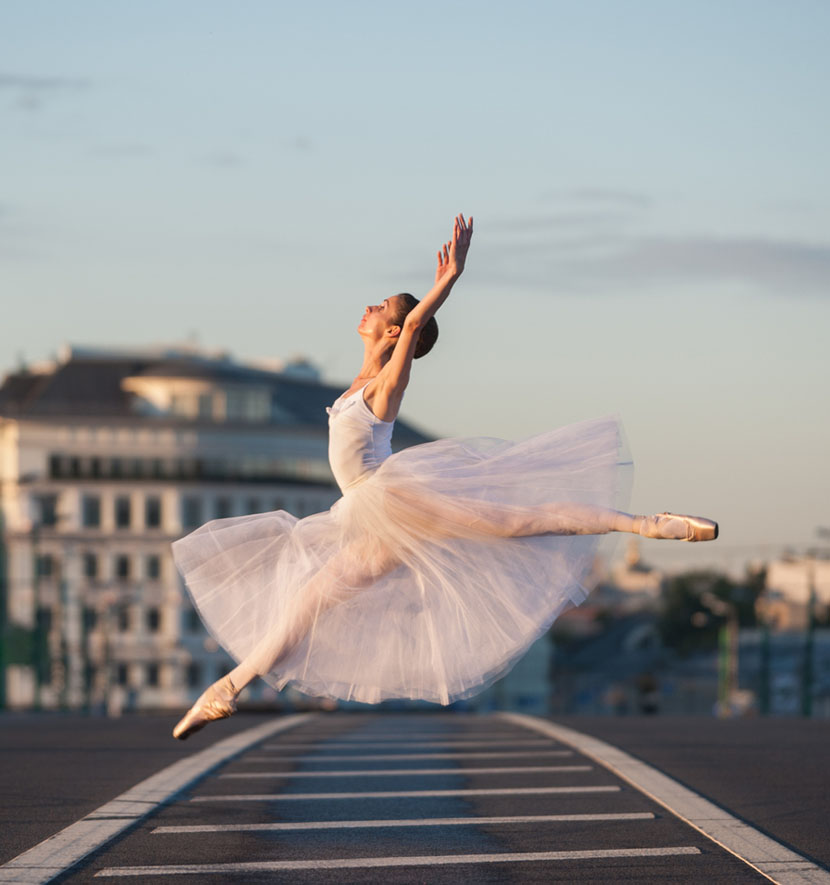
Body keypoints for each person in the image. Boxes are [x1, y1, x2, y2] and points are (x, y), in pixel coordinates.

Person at [171, 213, 717, 739]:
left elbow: (413, 323)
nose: (367, 307)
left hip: (395, 500)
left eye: (378, 306)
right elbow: (402, 327)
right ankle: (225, 690)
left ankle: (650, 523)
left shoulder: (385, 385)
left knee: (521, 521)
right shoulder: (356, 382)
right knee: (307, 605)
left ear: (391, 329)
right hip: (367, 521)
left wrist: (448, 280)